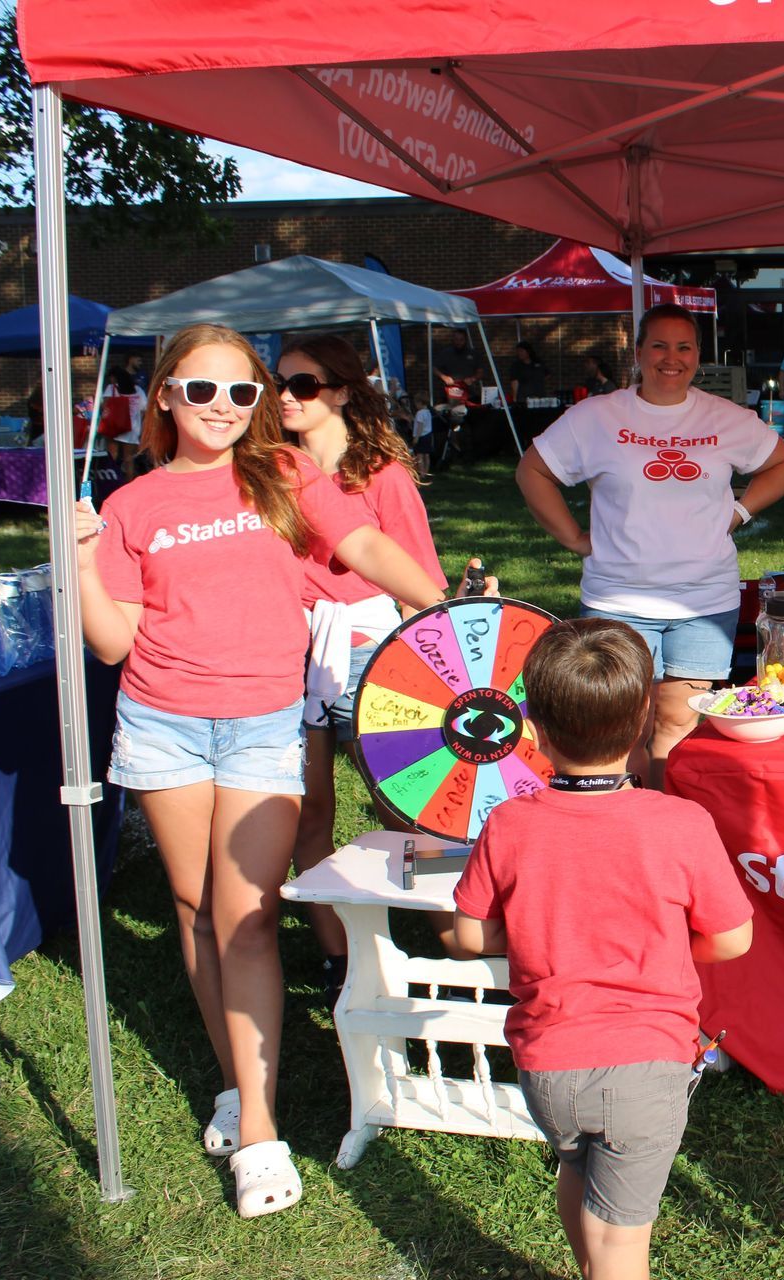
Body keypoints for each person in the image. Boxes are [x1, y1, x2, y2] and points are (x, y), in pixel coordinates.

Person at [71, 324, 449, 1218]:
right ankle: (238, 1083)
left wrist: (447, 605)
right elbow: (113, 642)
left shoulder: (284, 473)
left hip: (263, 722)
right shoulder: (132, 504)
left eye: (243, 391)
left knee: (245, 919)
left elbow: (365, 548)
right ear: (166, 394)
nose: (226, 407)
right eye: (203, 390)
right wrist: (81, 558)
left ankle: (260, 1133)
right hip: (162, 726)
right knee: (196, 909)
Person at [434, 617, 752, 1280]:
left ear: (533, 728)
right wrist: (664, 944)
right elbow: (732, 938)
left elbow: (469, 936)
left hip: (548, 1066)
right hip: (645, 1067)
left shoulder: (509, 823)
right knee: (620, 1241)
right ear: (642, 719)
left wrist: (530, 931)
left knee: (576, 1173)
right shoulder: (680, 823)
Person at [515, 303, 784, 790]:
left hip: (704, 601)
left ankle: (665, 816)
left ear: (698, 356)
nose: (672, 358)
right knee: (622, 730)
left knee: (677, 725)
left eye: (684, 347)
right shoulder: (597, 416)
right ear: (639, 352)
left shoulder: (724, 418)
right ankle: (623, 818)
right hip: (618, 598)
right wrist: (572, 537)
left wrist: (738, 512)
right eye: (660, 345)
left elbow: (782, 463)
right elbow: (533, 471)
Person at [276, 334, 450, 1006]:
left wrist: (432, 673)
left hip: (372, 651)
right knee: (308, 808)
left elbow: (418, 581)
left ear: (343, 391)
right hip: (288, 652)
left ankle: (456, 938)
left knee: (404, 805)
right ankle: (339, 959)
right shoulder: (270, 470)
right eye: (279, 383)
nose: (286, 396)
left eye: (304, 384)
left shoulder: (380, 474)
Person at [434, 327, 485, 405]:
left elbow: (480, 372)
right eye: (456, 339)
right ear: (453, 340)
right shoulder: (445, 353)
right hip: (449, 394)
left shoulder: (473, 354)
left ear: (466, 340)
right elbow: (434, 368)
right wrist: (444, 377)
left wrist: (473, 379)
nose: (458, 342)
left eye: (461, 340)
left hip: (469, 394)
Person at [507, 340, 550, 405]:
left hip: (539, 397)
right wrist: (514, 398)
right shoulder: (516, 366)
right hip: (523, 399)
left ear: (528, 351)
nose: (519, 353)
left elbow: (547, 374)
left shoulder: (538, 362)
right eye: (518, 351)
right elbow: (514, 382)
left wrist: (538, 382)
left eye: (521, 351)